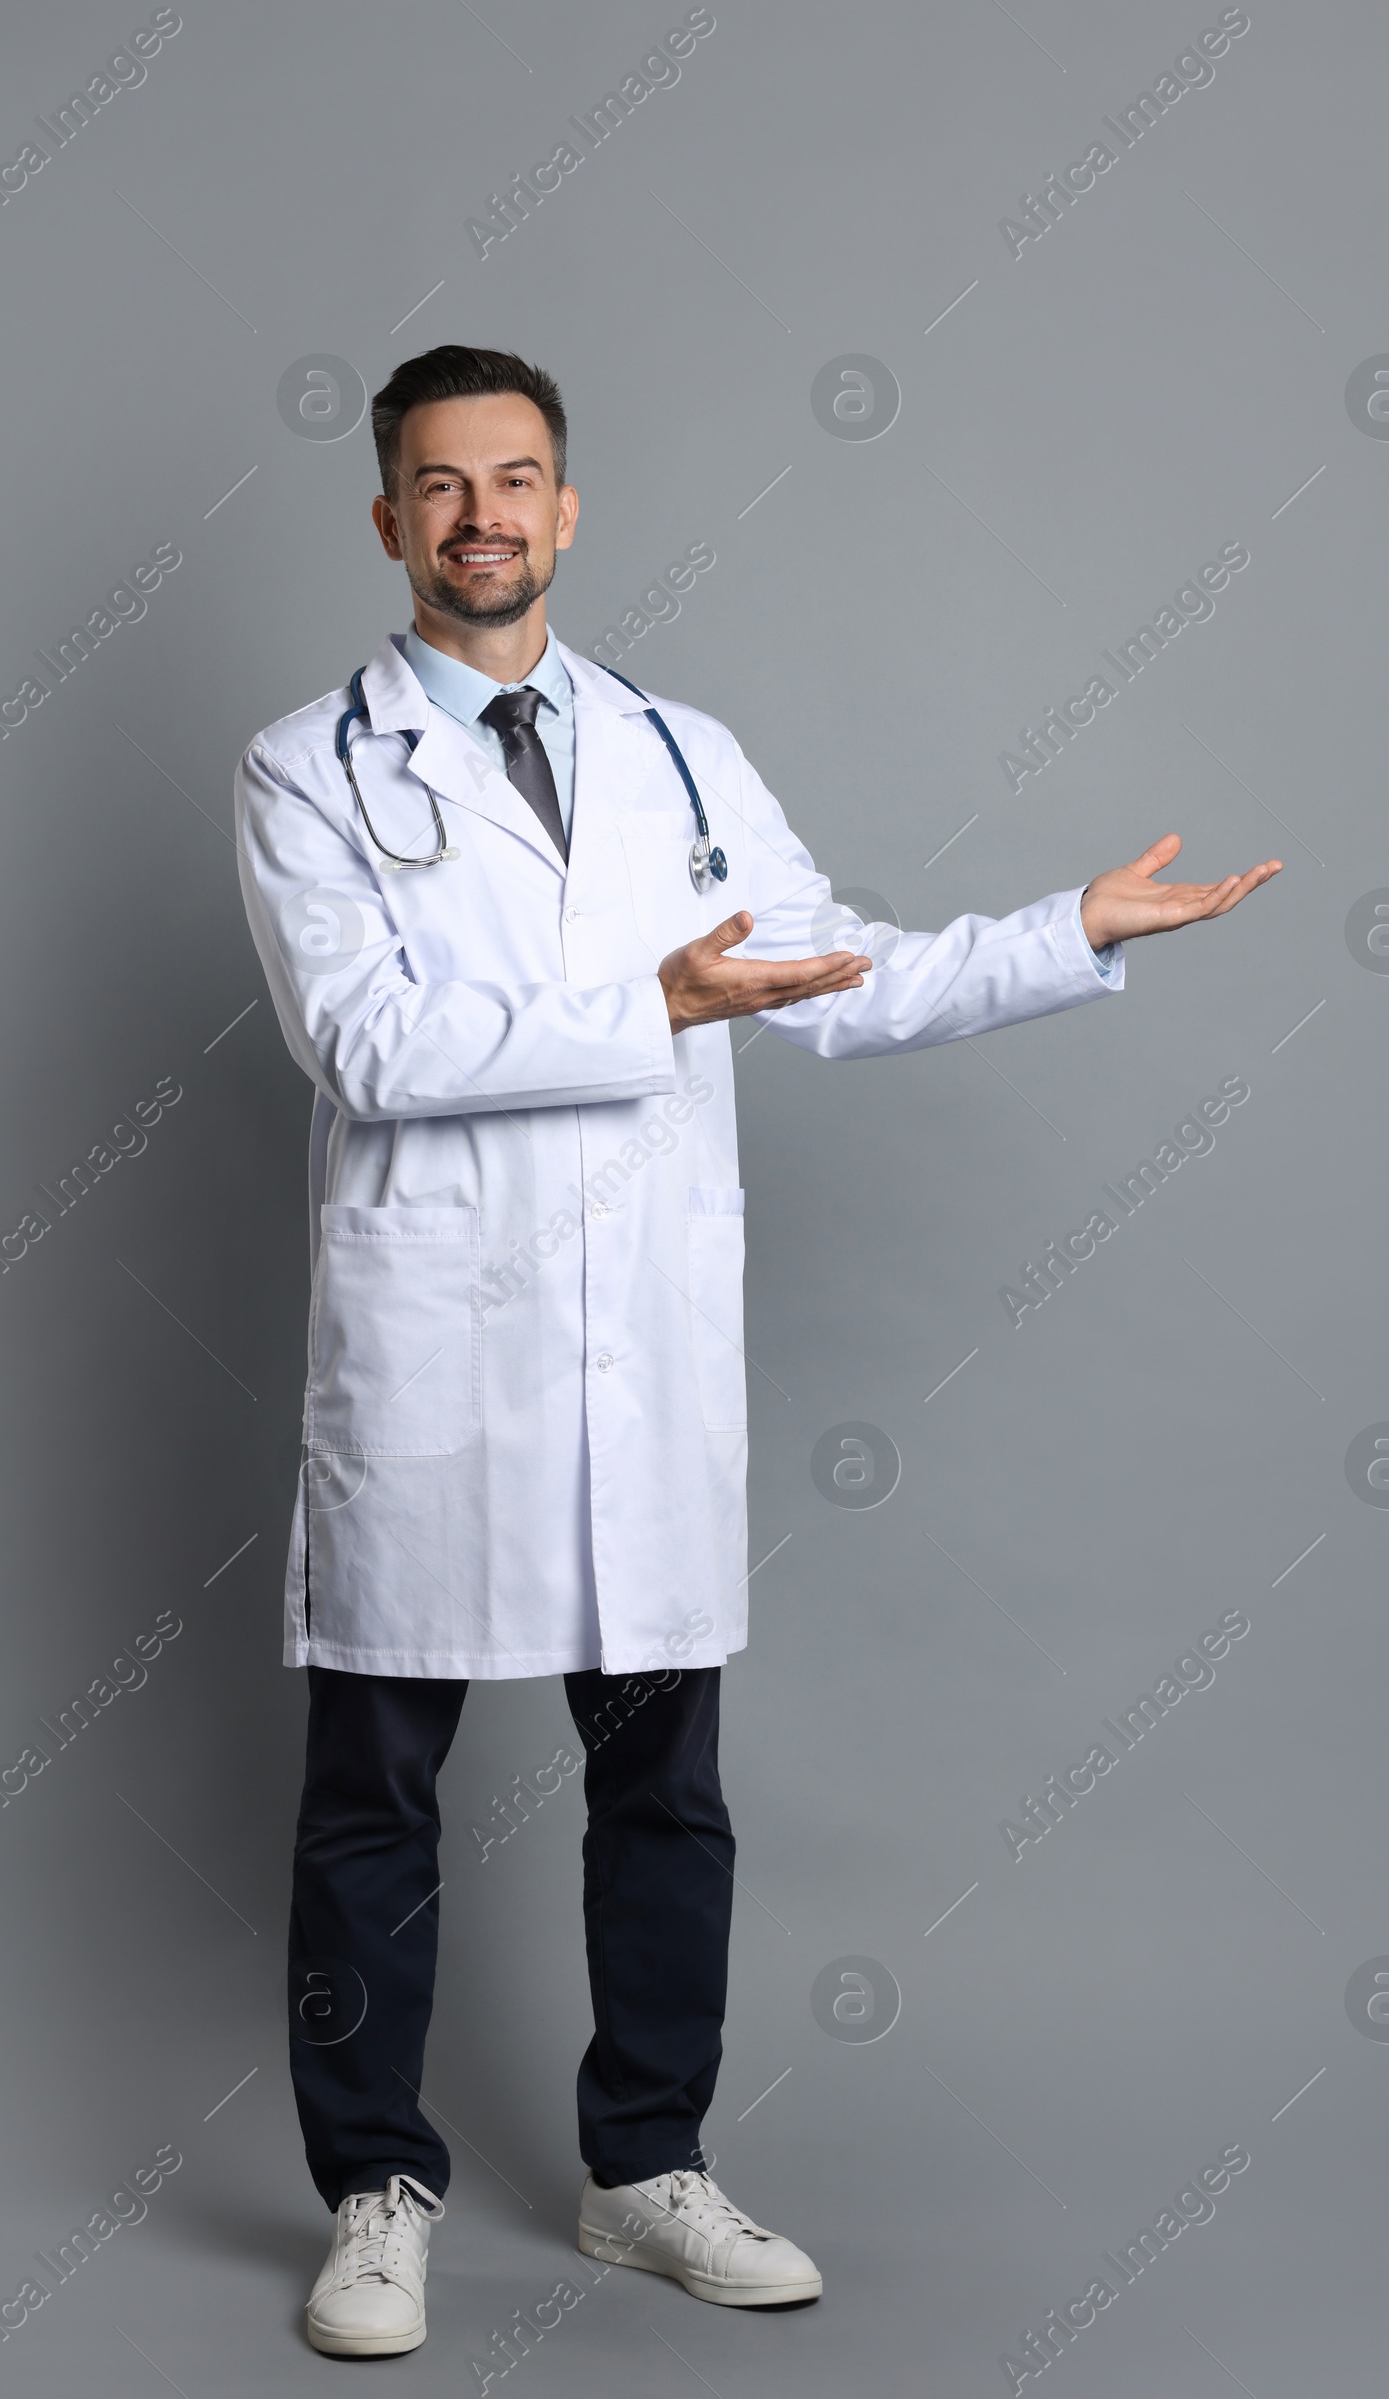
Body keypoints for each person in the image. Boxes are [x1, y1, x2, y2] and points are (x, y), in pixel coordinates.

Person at [233, 344, 1279, 2359]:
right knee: (374, 1796)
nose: (482, 519)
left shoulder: (678, 756)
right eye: (440, 488)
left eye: (516, 479)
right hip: (433, 1377)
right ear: (386, 520)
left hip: (636, 1371)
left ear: (566, 505)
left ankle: (642, 2171)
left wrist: (1067, 929)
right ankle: (373, 2186)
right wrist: (654, 1005)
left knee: (666, 1797)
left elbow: (829, 979)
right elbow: (369, 1047)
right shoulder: (308, 769)